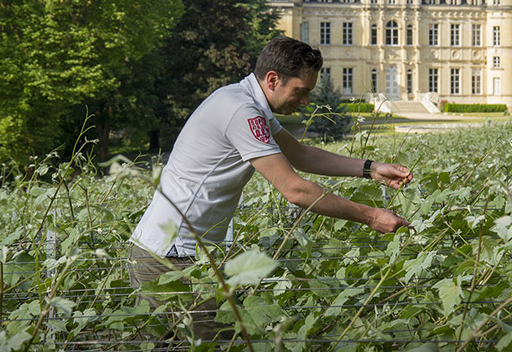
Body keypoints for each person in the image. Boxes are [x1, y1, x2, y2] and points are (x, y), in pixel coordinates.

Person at [127, 36, 413, 340]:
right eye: (300, 91)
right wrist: (371, 216)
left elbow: (301, 154)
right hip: (170, 256)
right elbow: (295, 190)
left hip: (179, 253)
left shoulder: (247, 103)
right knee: (215, 344)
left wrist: (371, 169)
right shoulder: (242, 111)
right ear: (273, 79)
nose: (305, 102)